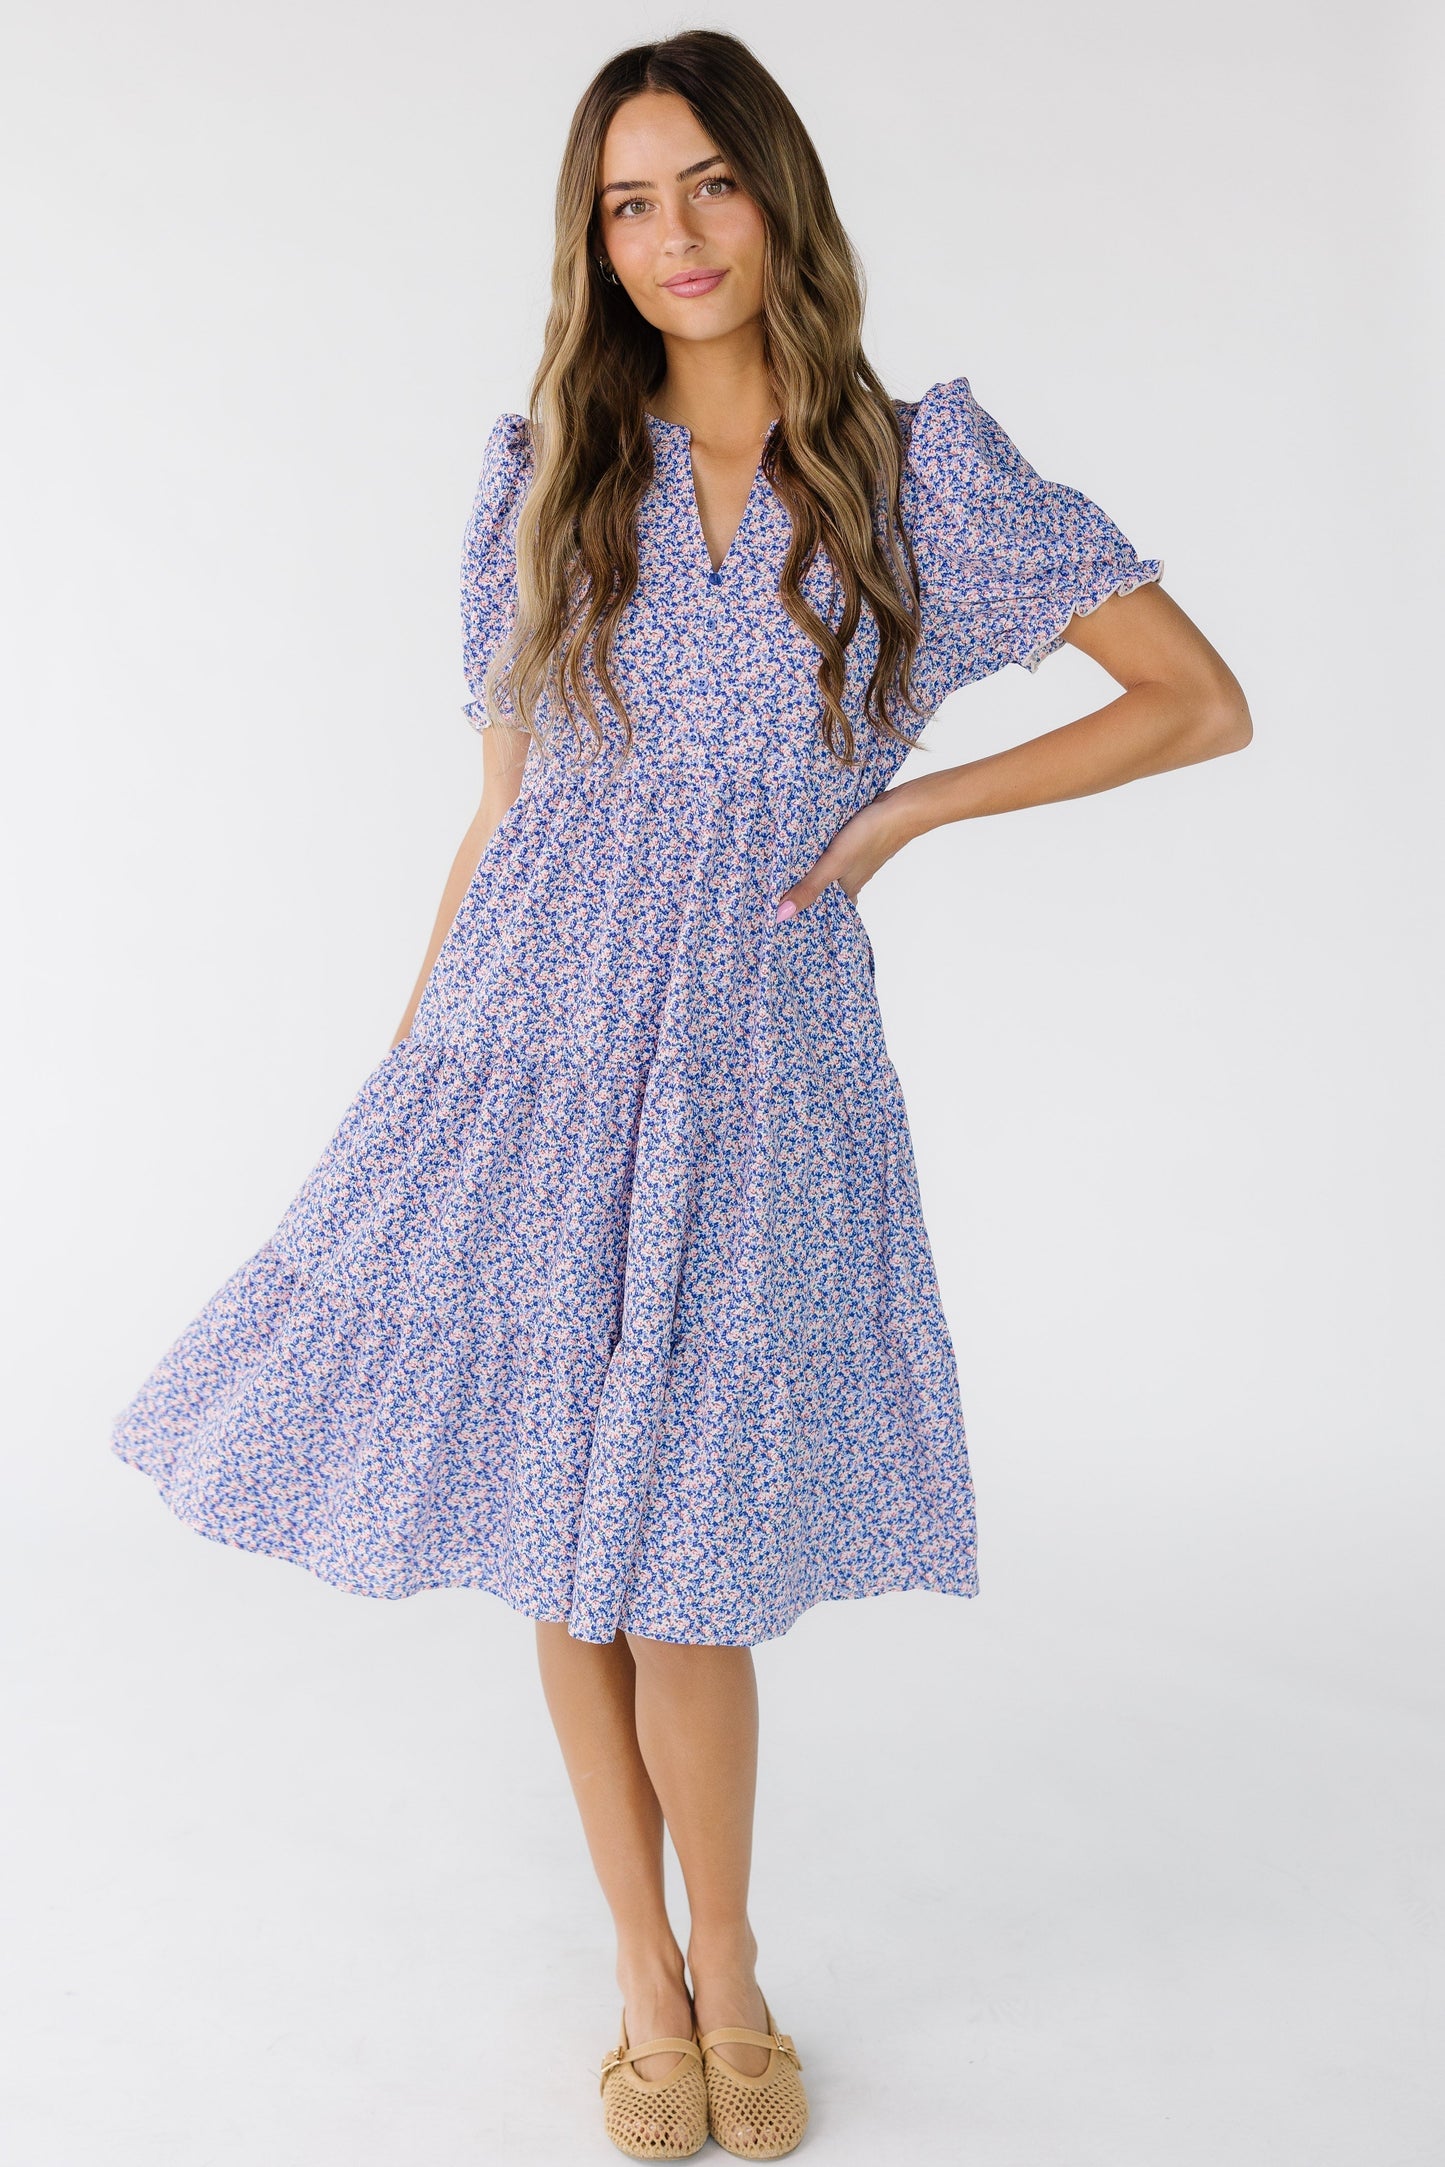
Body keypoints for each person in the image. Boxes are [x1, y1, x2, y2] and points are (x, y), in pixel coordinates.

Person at [110, 28, 1251, 2162]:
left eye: (706, 185)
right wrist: (414, 1066)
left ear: (777, 196)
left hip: (762, 1055)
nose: (673, 237)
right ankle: (643, 1976)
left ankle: (731, 1962)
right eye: (627, 204)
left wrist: (902, 813)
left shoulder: (919, 474)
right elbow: (503, 811)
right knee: (574, 1535)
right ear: (595, 240)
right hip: (532, 1042)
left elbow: (1194, 703)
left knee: (692, 1556)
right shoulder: (552, 472)